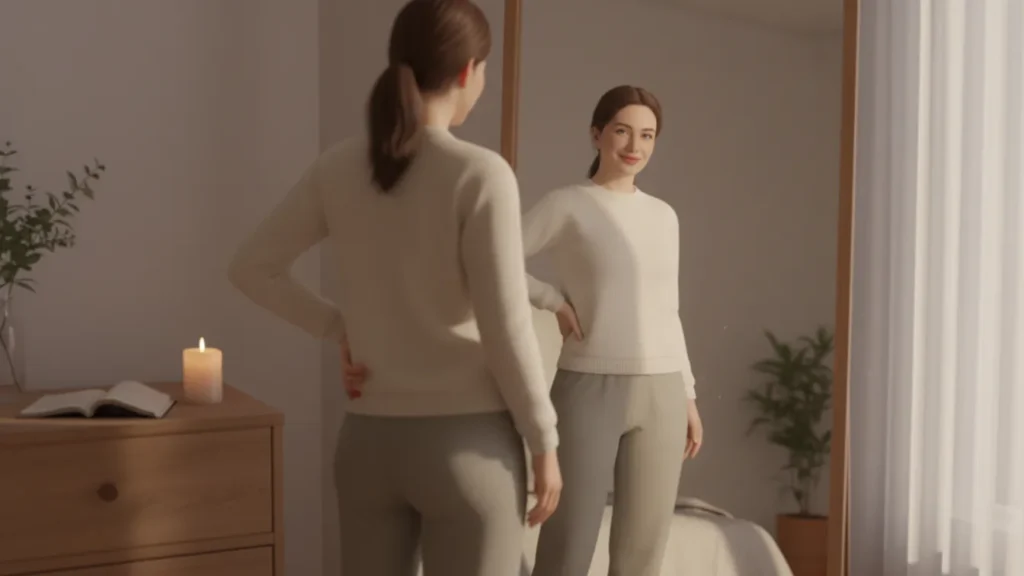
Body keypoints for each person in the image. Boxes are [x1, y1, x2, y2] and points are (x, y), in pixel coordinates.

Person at [226, 1, 562, 574]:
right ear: (467, 72)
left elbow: (251, 267)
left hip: (367, 449)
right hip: (469, 447)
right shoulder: (480, 174)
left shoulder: (337, 167)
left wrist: (339, 327)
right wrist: (544, 442)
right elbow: (506, 326)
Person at [523, 85, 704, 576]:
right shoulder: (567, 204)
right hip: (588, 386)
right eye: (623, 131)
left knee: (642, 554)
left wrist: (687, 395)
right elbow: (490, 260)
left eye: (647, 135)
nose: (634, 145)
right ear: (597, 134)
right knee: (568, 542)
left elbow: (669, 310)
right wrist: (551, 301)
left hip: (663, 391)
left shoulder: (664, 216)